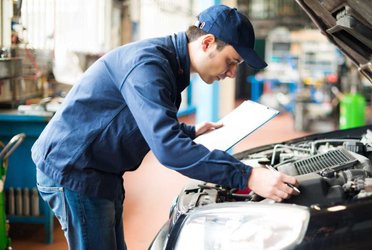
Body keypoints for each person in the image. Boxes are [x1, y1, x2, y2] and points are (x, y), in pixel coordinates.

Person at [32, 4, 299, 250]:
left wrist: (191, 132)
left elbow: (141, 119)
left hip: (102, 169)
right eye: (231, 62)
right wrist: (248, 176)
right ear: (207, 43)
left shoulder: (172, 67)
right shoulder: (149, 66)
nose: (231, 73)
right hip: (74, 169)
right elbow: (168, 150)